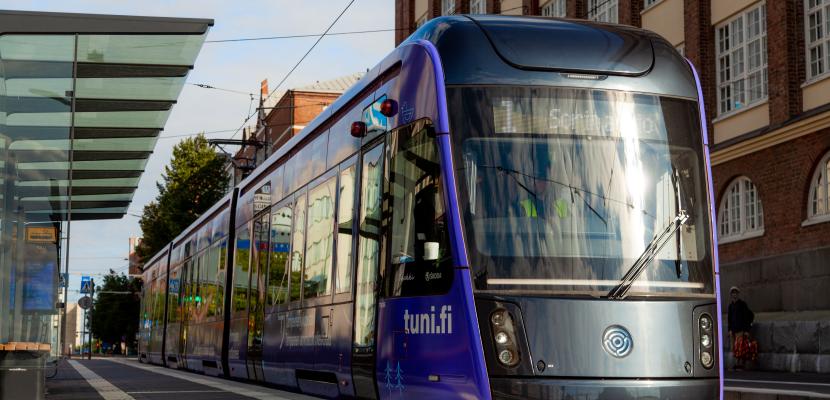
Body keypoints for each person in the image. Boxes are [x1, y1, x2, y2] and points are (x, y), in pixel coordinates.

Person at [728, 286, 756, 369]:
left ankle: (740, 364)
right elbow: (729, 319)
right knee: (734, 348)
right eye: (733, 293)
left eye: (736, 292)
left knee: (740, 347)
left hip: (740, 330)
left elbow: (749, 315)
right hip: (733, 330)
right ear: (731, 295)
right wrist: (729, 329)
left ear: (738, 294)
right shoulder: (730, 306)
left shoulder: (742, 304)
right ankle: (737, 363)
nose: (734, 294)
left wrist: (747, 329)